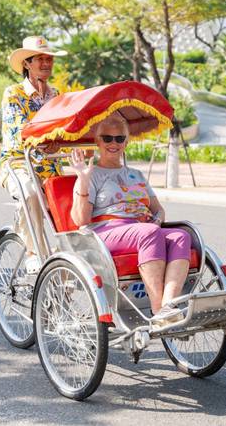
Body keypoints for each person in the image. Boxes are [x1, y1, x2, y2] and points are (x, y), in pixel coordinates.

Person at [69, 115, 191, 327]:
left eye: (119, 138)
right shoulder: (91, 174)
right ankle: (158, 312)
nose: (113, 143)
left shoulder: (137, 175)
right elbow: (81, 220)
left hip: (142, 229)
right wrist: (83, 180)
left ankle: (169, 305)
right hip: (105, 231)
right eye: (107, 138)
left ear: (126, 142)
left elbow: (158, 210)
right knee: (148, 233)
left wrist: (156, 221)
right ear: (98, 141)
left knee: (181, 235)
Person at [1, 36, 67, 274]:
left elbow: (65, 128)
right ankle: (33, 252)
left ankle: (67, 260)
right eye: (40, 59)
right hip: (19, 162)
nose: (46, 63)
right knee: (30, 192)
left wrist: (62, 143)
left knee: (75, 200)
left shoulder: (56, 95)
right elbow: (19, 130)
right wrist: (47, 140)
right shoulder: (13, 93)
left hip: (50, 165)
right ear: (27, 64)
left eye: (49, 59)